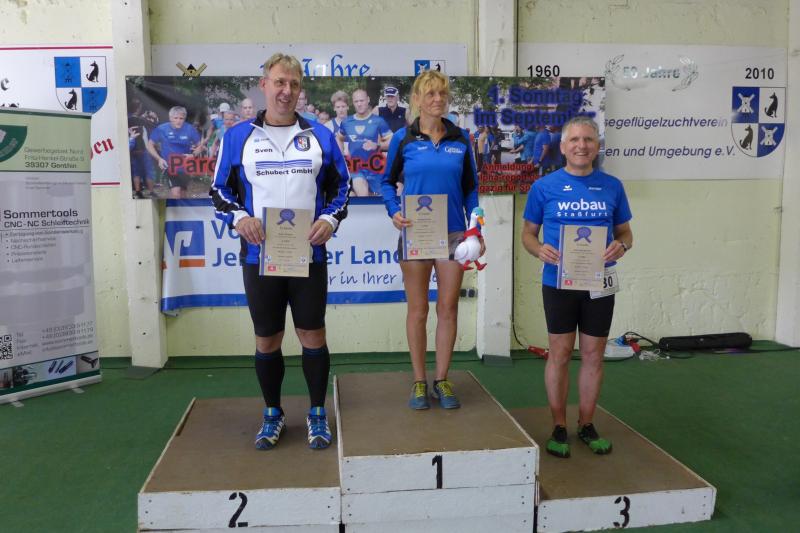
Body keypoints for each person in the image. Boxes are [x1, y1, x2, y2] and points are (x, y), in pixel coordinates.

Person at [210, 52, 351, 451]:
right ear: (264, 85)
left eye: (293, 84)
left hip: (309, 255)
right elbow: (219, 190)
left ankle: (317, 412)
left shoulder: (320, 135)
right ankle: (272, 412)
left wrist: (330, 220)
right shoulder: (237, 137)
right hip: (259, 256)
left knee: (312, 333)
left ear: (300, 89)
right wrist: (240, 217)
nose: (286, 91)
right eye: (279, 82)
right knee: (267, 340)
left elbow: (341, 187)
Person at [521, 116, 633, 458]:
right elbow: (528, 234)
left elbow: (626, 233)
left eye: (588, 140)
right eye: (575, 140)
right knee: (559, 353)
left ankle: (586, 424)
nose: (581, 146)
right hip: (557, 282)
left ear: (597, 146)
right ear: (563, 146)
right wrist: (539, 249)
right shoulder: (544, 187)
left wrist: (621, 246)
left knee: (593, 355)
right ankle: (559, 425)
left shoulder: (613, 186)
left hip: (599, 282)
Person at [381, 69, 483, 410]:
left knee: (448, 307)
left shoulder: (461, 138)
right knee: (418, 309)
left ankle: (441, 379)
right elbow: (386, 182)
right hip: (416, 231)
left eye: (442, 93)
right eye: (430, 94)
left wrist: (475, 228)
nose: (438, 99)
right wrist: (394, 211)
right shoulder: (403, 139)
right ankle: (419, 382)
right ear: (417, 99)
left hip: (453, 234)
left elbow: (471, 189)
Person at [338, 88, 392, 196]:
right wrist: (341, 156)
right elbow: (339, 138)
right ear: (353, 103)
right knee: (362, 193)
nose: (359, 104)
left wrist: (377, 145)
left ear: (368, 100)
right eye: (356, 101)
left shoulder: (378, 121)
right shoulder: (346, 122)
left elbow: (392, 142)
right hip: (356, 168)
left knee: (375, 200)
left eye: (361, 101)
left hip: (375, 168)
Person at [146, 105, 203, 199]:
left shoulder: (190, 129)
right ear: (170, 118)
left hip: (185, 166)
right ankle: (173, 207)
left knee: (183, 194)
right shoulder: (161, 129)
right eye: (175, 118)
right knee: (176, 192)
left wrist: (193, 155)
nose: (178, 121)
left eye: (181, 118)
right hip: (170, 166)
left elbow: (200, 146)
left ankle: (176, 207)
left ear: (184, 118)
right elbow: (150, 145)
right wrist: (159, 159)